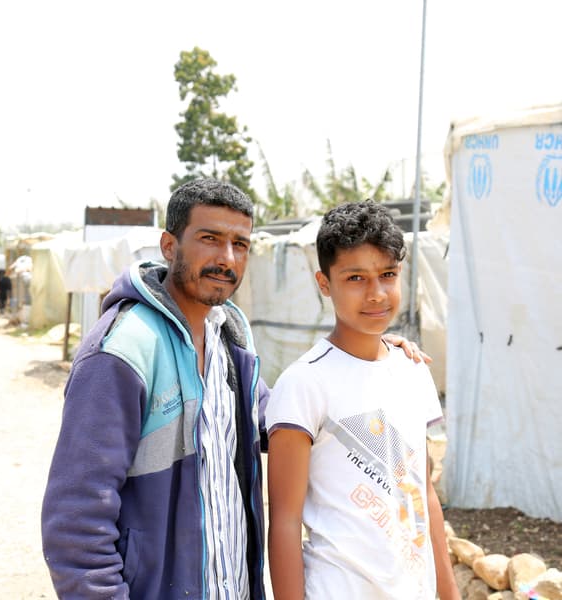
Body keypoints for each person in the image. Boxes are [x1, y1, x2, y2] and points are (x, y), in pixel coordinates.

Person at [41, 180, 428, 599]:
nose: (226, 258)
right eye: (210, 239)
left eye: (240, 244)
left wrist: (375, 354)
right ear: (169, 246)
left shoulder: (229, 340)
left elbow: (282, 419)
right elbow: (75, 524)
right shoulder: (123, 351)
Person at [266, 201, 459, 599]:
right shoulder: (304, 383)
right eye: (356, 278)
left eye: (387, 274)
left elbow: (424, 493)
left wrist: (449, 593)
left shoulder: (412, 370)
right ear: (324, 283)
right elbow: (284, 521)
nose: (376, 294)